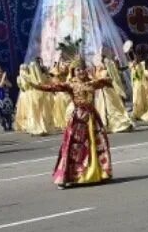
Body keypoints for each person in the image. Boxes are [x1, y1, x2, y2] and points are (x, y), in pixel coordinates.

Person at [32, 60, 113, 188]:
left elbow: (108, 80)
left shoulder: (92, 83)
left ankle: (101, 173)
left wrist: (106, 74)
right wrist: (37, 86)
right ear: (74, 72)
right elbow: (54, 87)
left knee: (98, 145)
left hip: (92, 118)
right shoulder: (71, 85)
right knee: (74, 147)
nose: (81, 72)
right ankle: (68, 177)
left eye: (82, 69)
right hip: (78, 119)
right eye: (78, 70)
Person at [0, 67, 14, 131]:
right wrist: (3, 78)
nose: (0, 73)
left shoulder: (4, 79)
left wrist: (5, 80)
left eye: (1, 71)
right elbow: (0, 85)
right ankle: (4, 124)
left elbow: (10, 85)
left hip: (6, 98)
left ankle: (10, 124)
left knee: (8, 112)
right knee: (1, 112)